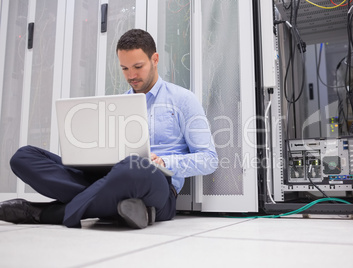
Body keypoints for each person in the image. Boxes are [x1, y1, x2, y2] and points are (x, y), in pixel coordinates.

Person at [0, 29, 218, 229]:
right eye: (124, 68)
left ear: (155, 59)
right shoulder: (117, 104)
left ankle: (46, 213)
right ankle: (122, 208)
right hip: (110, 176)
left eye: (138, 67)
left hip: (156, 185)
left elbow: (209, 159)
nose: (131, 75)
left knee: (133, 167)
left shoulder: (183, 100)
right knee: (24, 157)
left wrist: (164, 162)